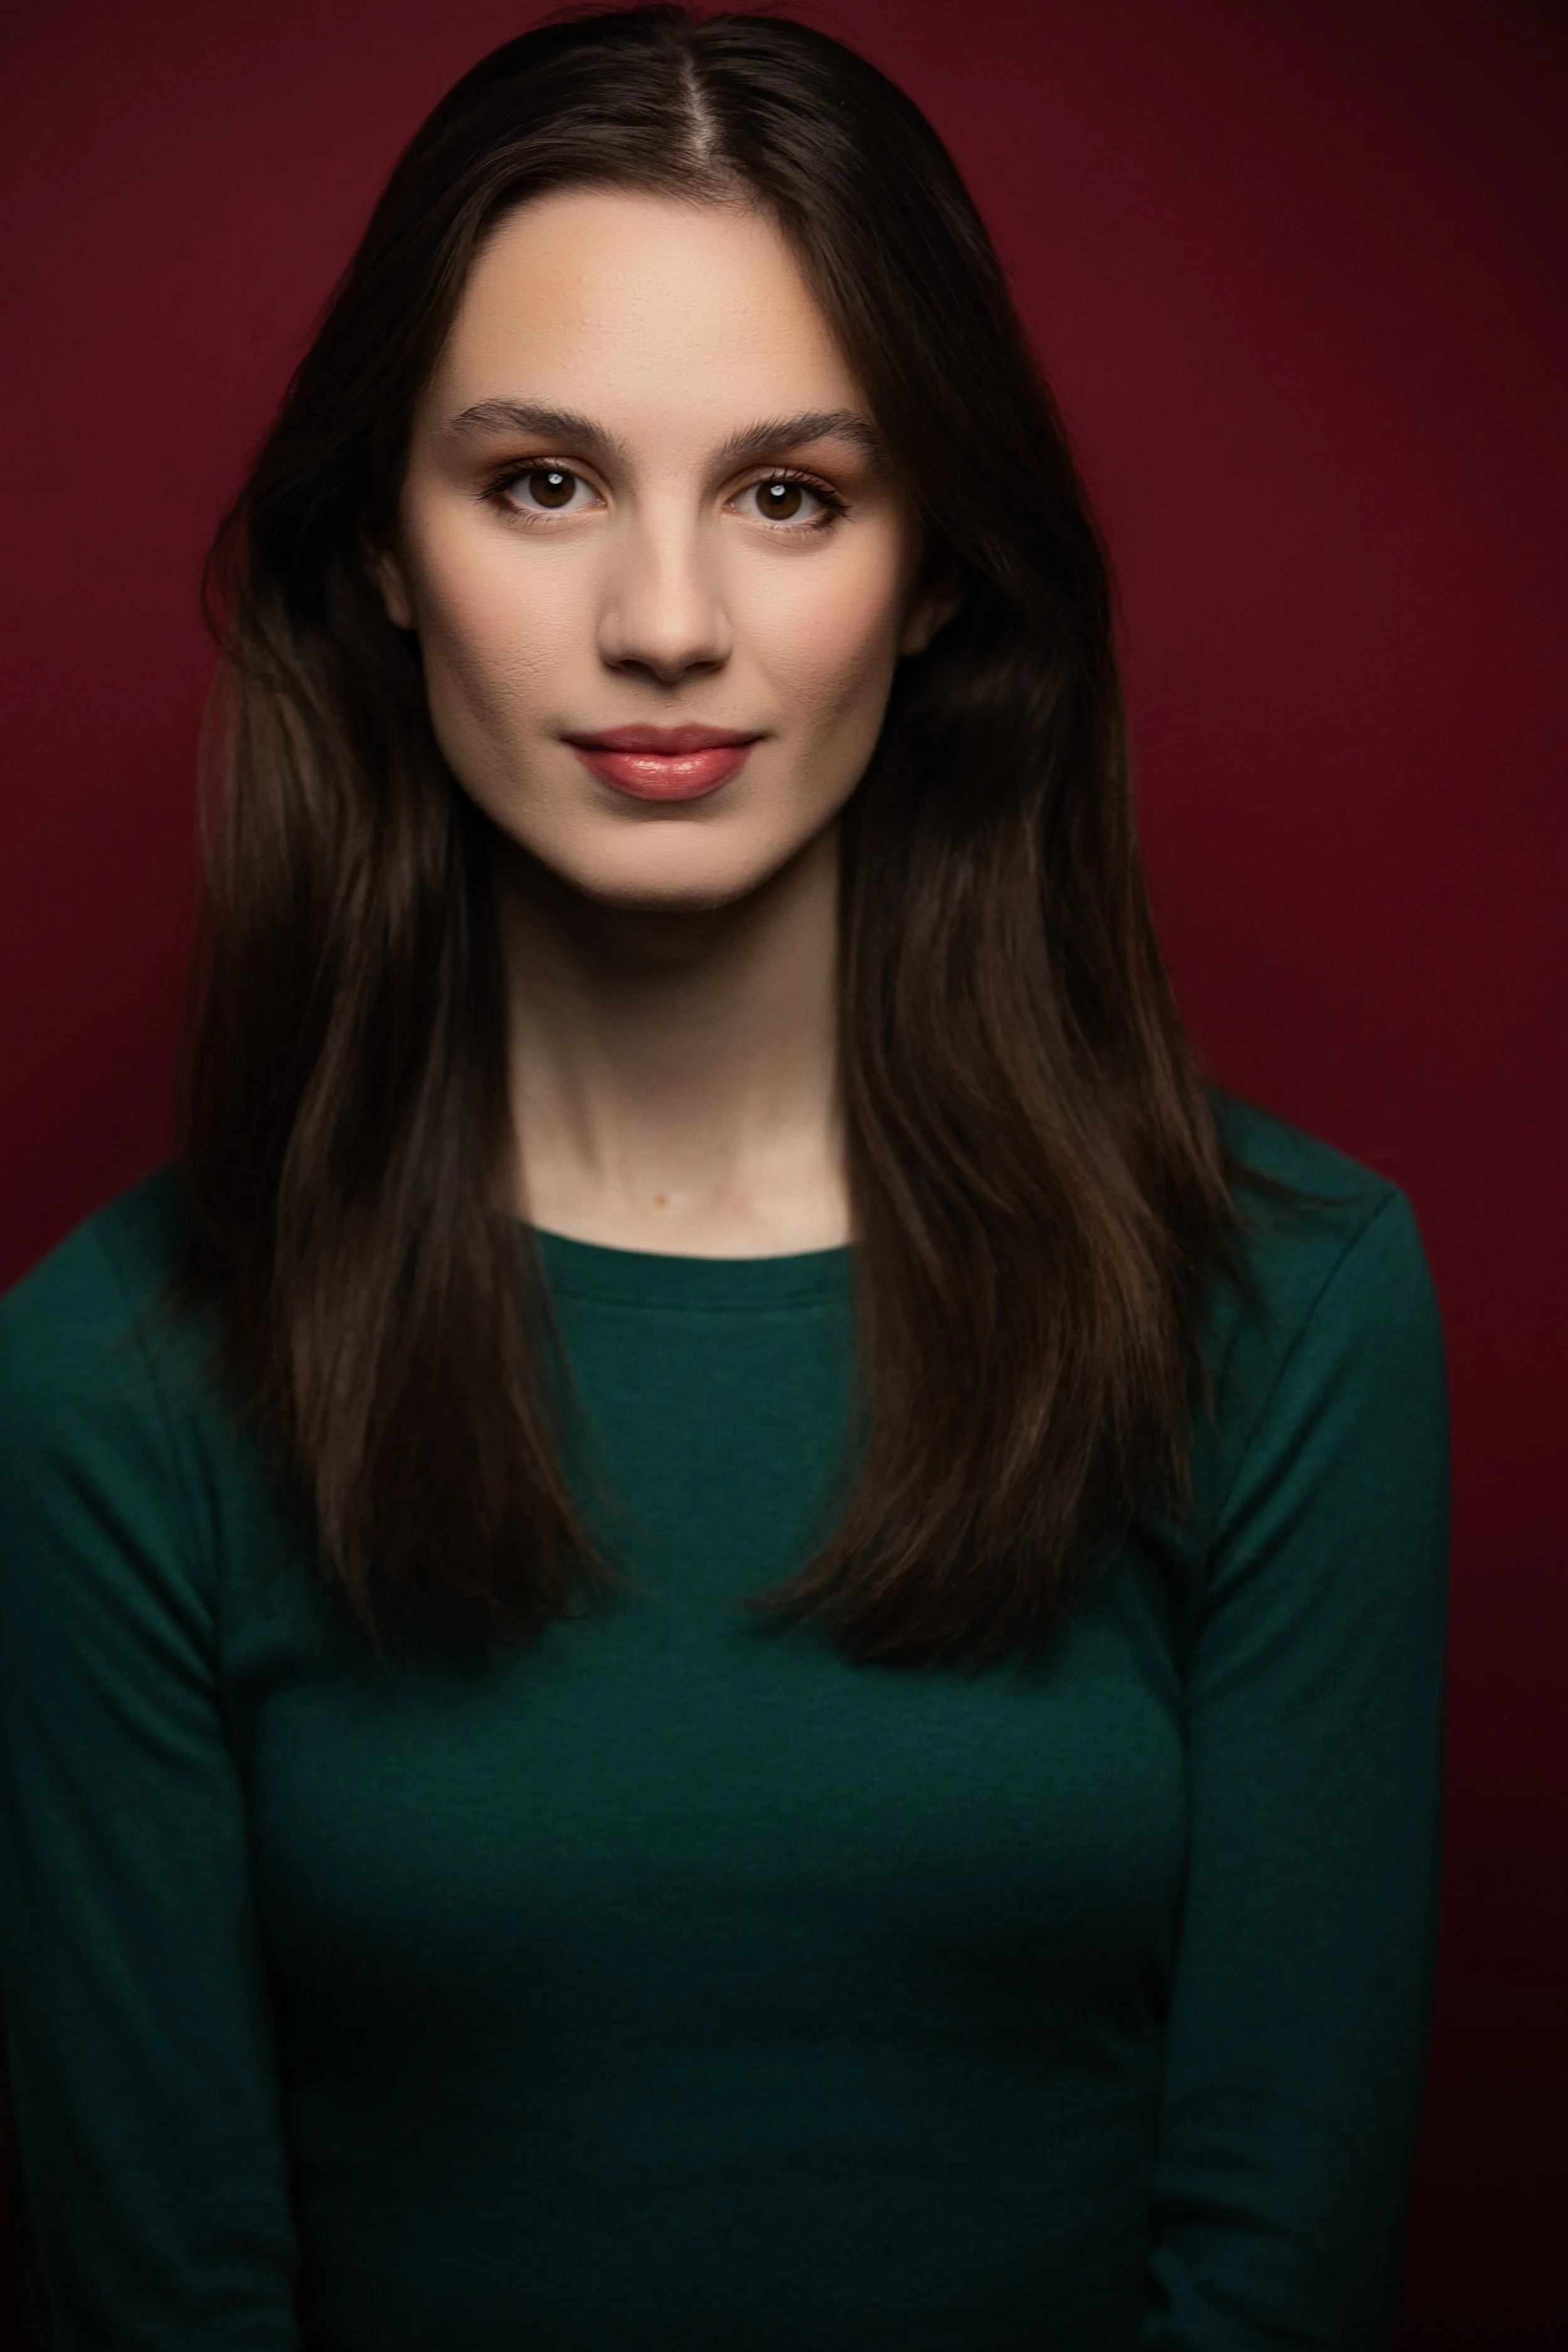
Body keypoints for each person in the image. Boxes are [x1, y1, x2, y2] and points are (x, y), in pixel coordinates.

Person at [0, 7, 1448, 2348]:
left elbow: (1276, 2270)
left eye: (791, 492)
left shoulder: (1283, 1313)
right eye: (541, 481)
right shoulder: (113, 1383)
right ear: (379, 546)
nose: (665, 621)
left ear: (941, 570)